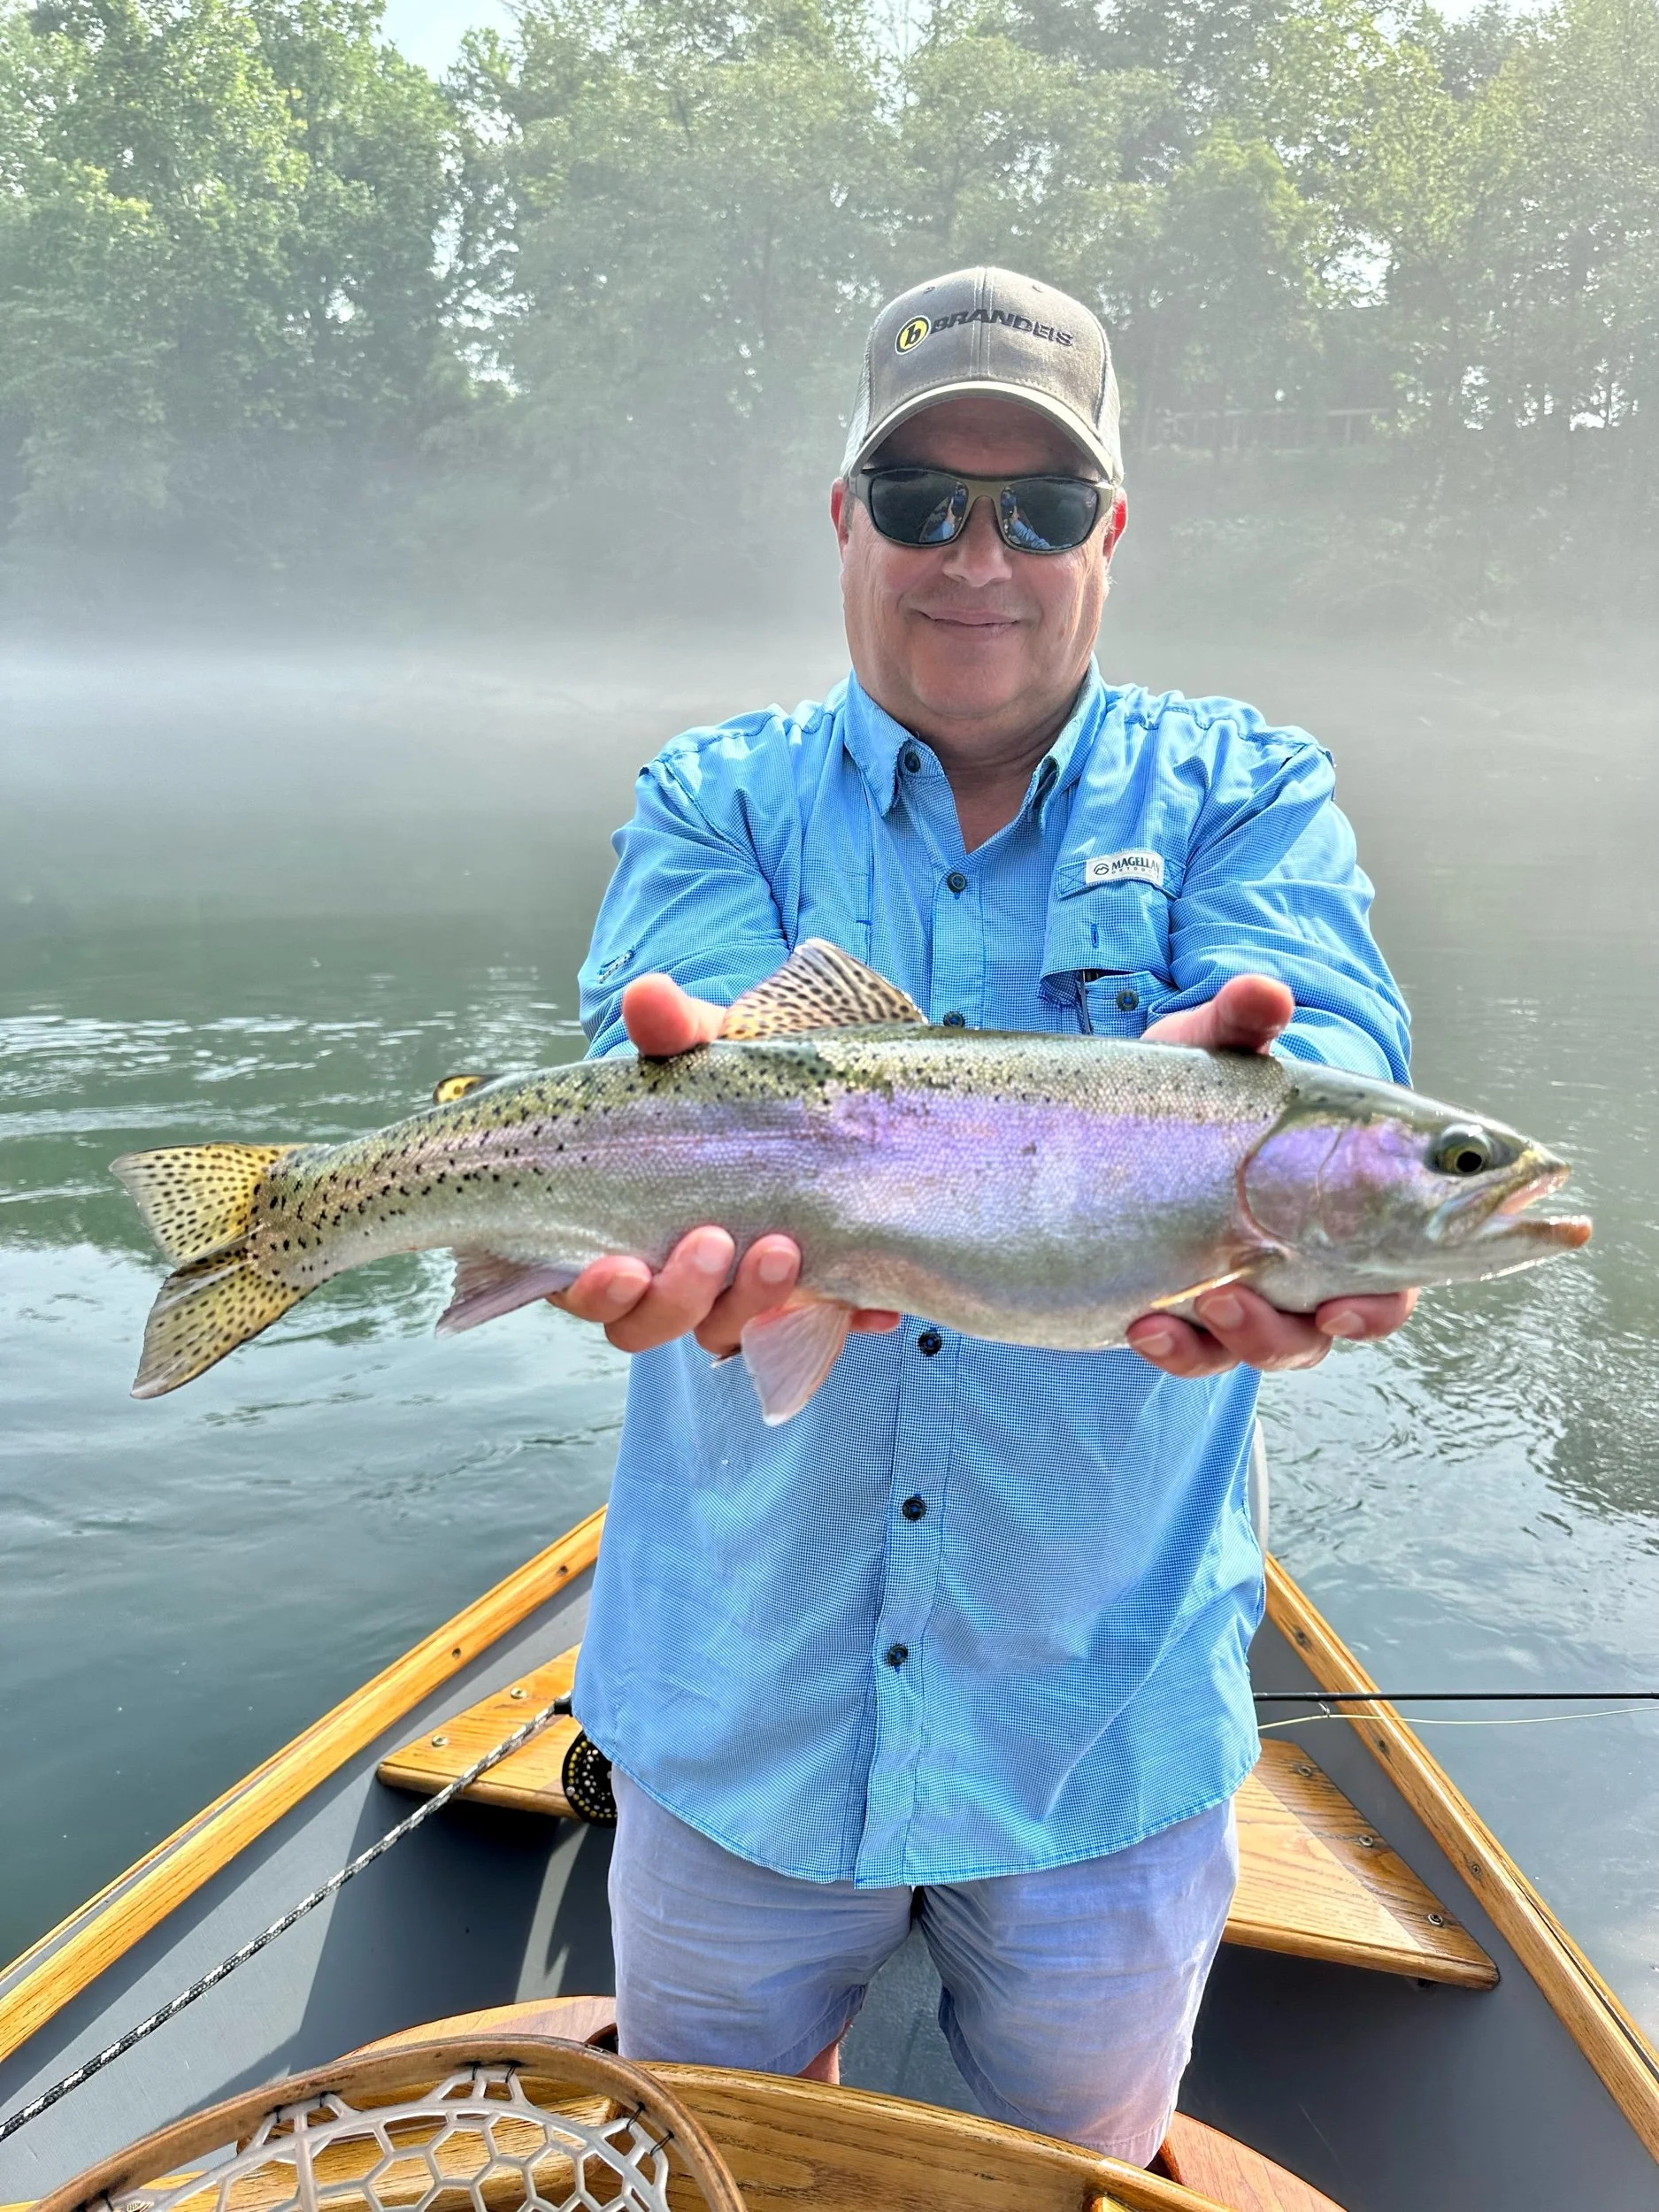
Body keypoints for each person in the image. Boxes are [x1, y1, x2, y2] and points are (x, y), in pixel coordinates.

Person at [555, 267, 1415, 2166]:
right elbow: (658, 1073)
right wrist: (667, 1184)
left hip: (1099, 1730)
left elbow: (1334, 1033)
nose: (976, 553)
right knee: (721, 2168)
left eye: (1036, 505)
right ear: (842, 517)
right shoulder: (715, 797)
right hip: (734, 1707)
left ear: (1109, 529)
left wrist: (1253, 1106)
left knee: (1074, 2179)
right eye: (920, 497)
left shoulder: (1244, 790)